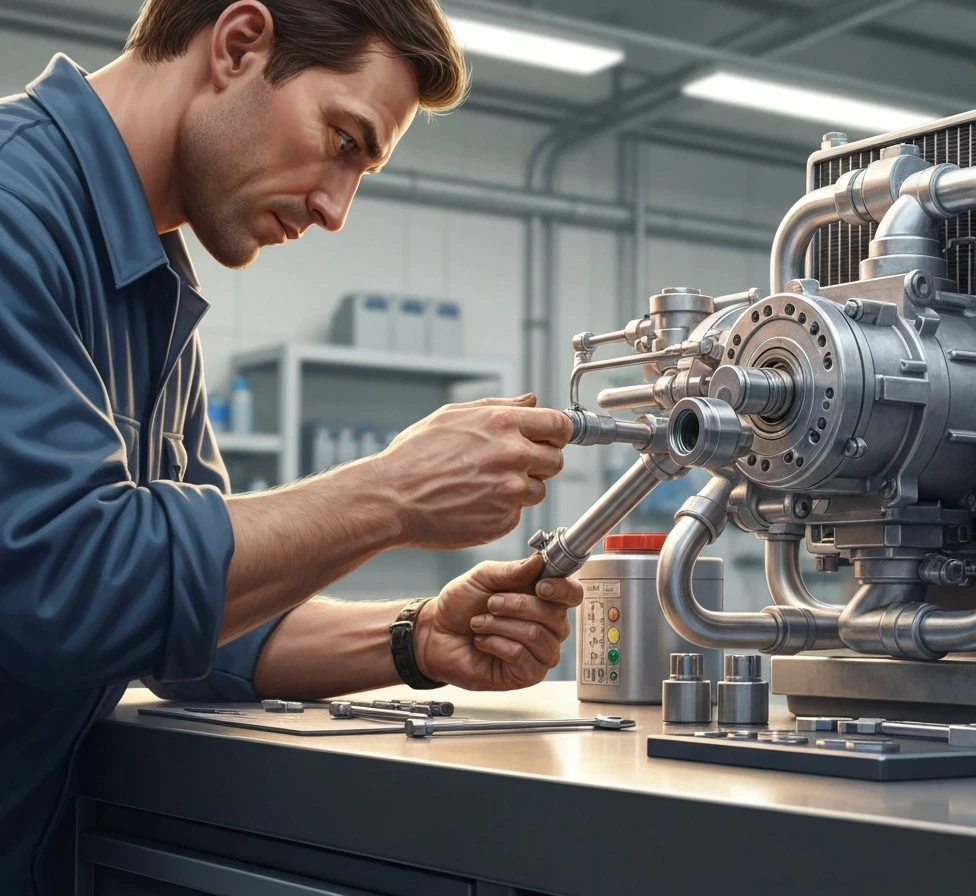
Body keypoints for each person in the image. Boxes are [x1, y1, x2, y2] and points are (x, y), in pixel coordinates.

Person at [0, 2, 583, 892]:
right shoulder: (13, 214)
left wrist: (417, 636)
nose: (336, 208)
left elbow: (191, 625)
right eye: (344, 140)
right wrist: (391, 492)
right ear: (239, 45)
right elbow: (67, 586)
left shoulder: (152, 293)